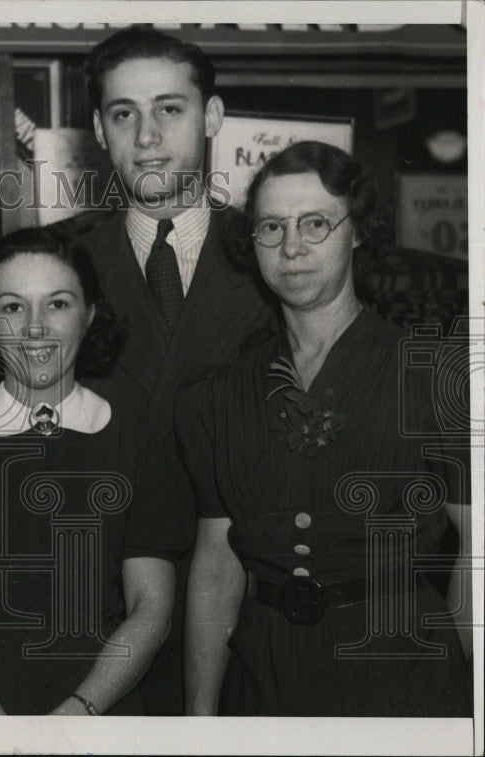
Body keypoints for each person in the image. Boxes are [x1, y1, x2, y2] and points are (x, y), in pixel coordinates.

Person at [179, 141, 471, 716]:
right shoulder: (219, 394)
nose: (292, 247)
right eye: (271, 227)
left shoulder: (434, 377)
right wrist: (200, 717)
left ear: (357, 231)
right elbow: (216, 565)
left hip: (402, 675)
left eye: (315, 223)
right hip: (261, 682)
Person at [0, 227, 184, 715]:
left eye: (57, 304)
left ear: (90, 315)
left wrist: (78, 713)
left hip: (103, 716)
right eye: (12, 306)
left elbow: (151, 611)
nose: (34, 326)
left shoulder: (136, 441)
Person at [75, 24, 279, 714]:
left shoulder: (274, 264)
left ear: (212, 117)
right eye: (123, 113)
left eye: (170, 108)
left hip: (244, 624)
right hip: (90, 623)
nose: (147, 135)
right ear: (98, 130)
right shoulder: (54, 266)